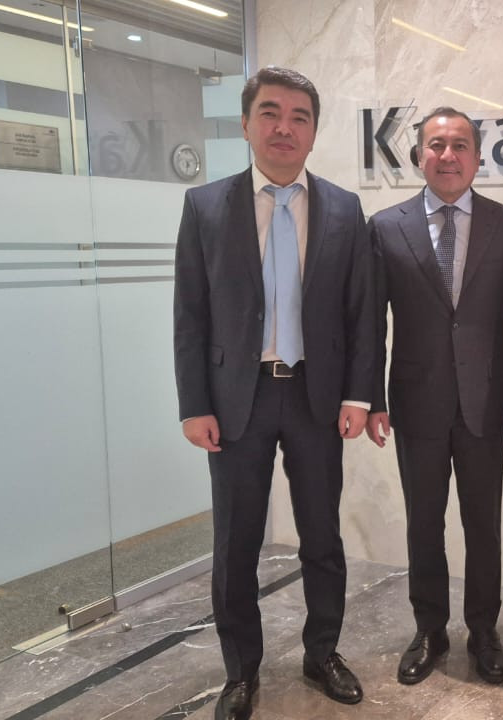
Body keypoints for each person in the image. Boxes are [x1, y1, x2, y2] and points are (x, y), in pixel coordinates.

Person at [173, 66, 373, 720]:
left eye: (299, 117)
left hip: (317, 397)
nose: (284, 128)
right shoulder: (206, 206)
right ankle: (241, 672)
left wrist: (359, 395)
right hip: (238, 400)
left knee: (322, 537)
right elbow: (190, 315)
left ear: (313, 132)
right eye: (270, 113)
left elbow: (362, 312)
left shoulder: (343, 208)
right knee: (236, 543)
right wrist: (194, 404)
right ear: (246, 124)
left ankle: (323, 652)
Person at [366, 106, 503, 686]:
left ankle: (484, 631)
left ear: (478, 158)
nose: (448, 155)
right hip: (416, 402)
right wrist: (372, 398)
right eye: (436, 145)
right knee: (423, 523)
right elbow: (371, 322)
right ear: (418, 156)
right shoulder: (386, 227)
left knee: (483, 523)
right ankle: (429, 629)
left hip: (487, 400)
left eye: (460, 145)